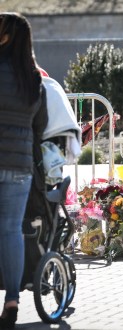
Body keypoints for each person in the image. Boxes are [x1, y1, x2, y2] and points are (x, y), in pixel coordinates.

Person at [0, 12, 48, 329]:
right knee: (11, 232)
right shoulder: (34, 79)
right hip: (19, 166)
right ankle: (13, 301)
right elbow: (41, 126)